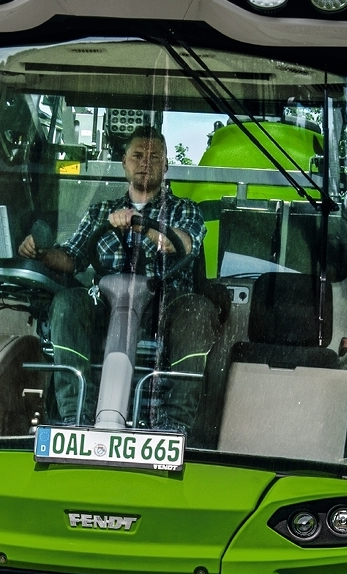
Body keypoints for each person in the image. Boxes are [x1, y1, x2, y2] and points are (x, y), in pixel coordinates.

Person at [20, 125, 216, 429]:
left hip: (164, 305)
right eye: (137, 155)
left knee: (198, 310)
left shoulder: (185, 210)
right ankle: (75, 417)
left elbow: (185, 244)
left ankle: (176, 426)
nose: (145, 162)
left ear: (166, 166)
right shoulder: (101, 211)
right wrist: (41, 252)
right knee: (67, 303)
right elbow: (72, 258)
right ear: (124, 162)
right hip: (108, 305)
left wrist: (143, 226)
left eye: (154, 156)